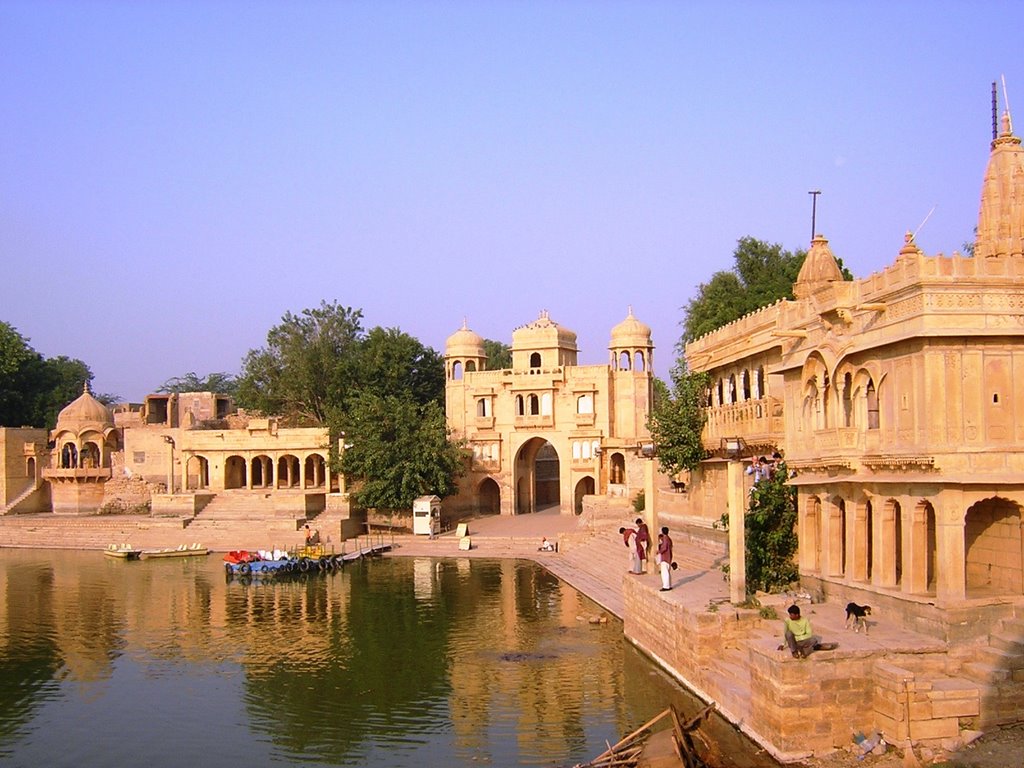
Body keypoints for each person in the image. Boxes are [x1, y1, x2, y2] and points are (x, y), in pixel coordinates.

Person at [656, 526, 673, 591]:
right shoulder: (669, 538)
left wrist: (659, 552)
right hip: (668, 557)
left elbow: (664, 548)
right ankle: (669, 585)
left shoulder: (665, 539)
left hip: (665, 557)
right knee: (667, 572)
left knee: (664, 573)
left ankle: (666, 586)